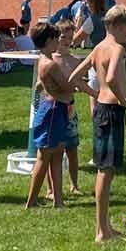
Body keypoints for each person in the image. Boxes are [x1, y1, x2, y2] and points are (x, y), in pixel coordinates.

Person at [69, 5, 126, 242]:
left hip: (101, 110)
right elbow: (109, 78)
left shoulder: (98, 47)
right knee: (106, 171)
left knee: (104, 169)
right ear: (118, 26)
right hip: (112, 111)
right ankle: (101, 231)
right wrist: (122, 99)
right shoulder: (116, 47)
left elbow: (74, 77)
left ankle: (105, 226)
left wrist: (95, 94)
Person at [24, 22, 82, 209]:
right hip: (54, 110)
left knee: (57, 156)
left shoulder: (44, 59)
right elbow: (66, 86)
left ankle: (58, 200)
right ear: (49, 40)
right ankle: (31, 201)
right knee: (44, 157)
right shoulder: (50, 64)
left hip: (59, 109)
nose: (59, 41)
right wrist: (78, 82)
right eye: (56, 38)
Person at [48, 19, 84, 198]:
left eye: (70, 37)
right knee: (53, 151)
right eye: (63, 36)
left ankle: (74, 184)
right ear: (56, 37)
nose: (67, 40)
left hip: (70, 110)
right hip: (54, 109)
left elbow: (79, 83)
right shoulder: (50, 60)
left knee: (72, 149)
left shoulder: (75, 60)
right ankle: (50, 188)